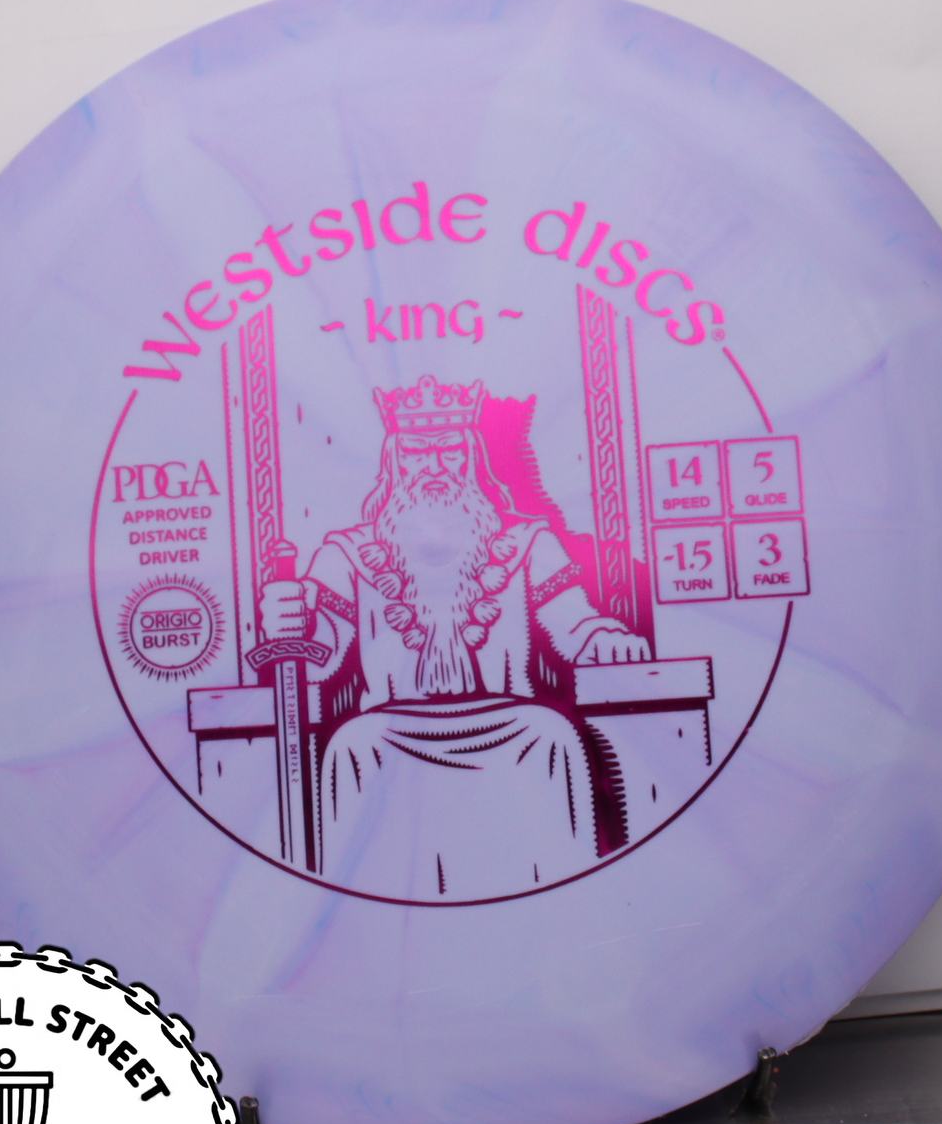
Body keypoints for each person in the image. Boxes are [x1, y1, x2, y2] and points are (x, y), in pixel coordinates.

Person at [258, 374, 650, 899]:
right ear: (394, 462)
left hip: (512, 720)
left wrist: (603, 635)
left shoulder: (527, 541)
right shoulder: (346, 553)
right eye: (418, 453)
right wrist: (293, 619)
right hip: (388, 727)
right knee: (353, 743)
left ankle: (572, 899)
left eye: (448, 450)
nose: (435, 466)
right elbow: (323, 653)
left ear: (471, 458)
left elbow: (573, 621)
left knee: (551, 732)